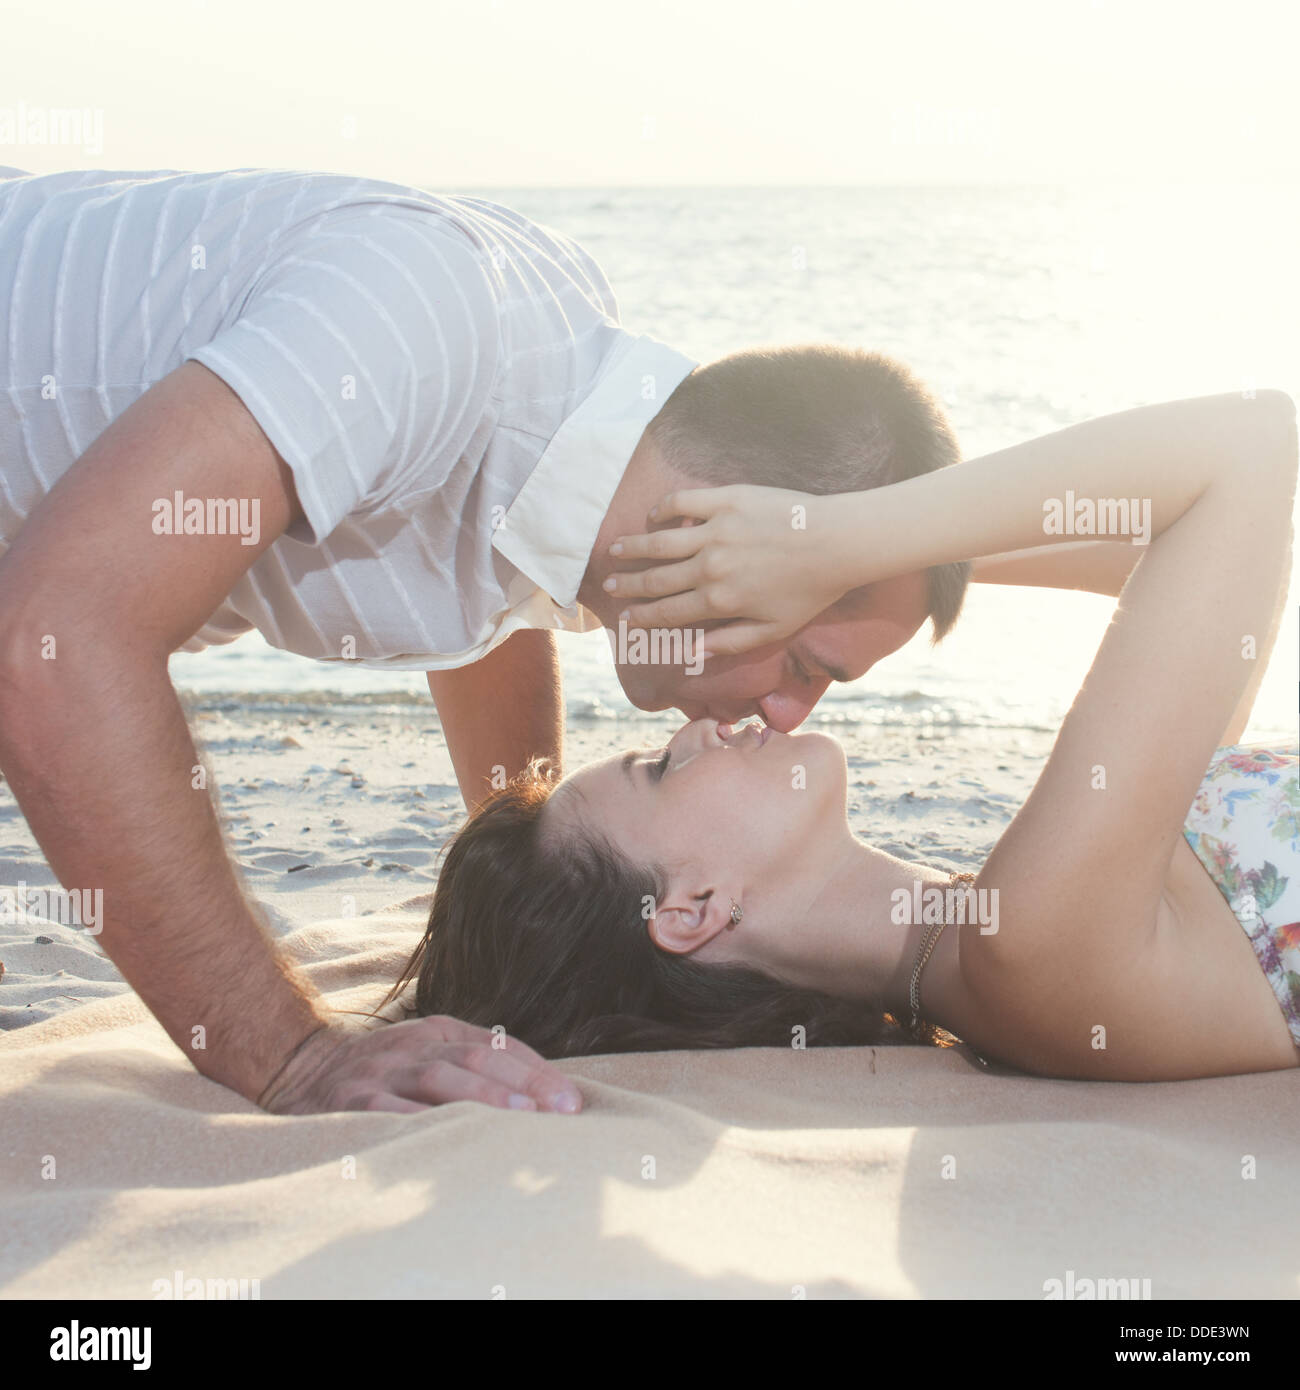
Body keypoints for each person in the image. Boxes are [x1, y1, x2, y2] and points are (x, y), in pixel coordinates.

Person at [0, 165, 967, 1114]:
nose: (792, 715)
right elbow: (57, 641)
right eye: (804, 665)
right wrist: (290, 1055)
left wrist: (534, 892)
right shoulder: (421, 321)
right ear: (740, 530)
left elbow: (480, 588)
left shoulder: (559, 406)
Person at [386, 389, 1300, 1081]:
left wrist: (846, 580)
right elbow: (1254, 448)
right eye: (660, 770)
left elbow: (1180, 566)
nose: (699, 729)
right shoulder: (1031, 944)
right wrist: (834, 542)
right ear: (693, 910)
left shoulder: (1027, 919)